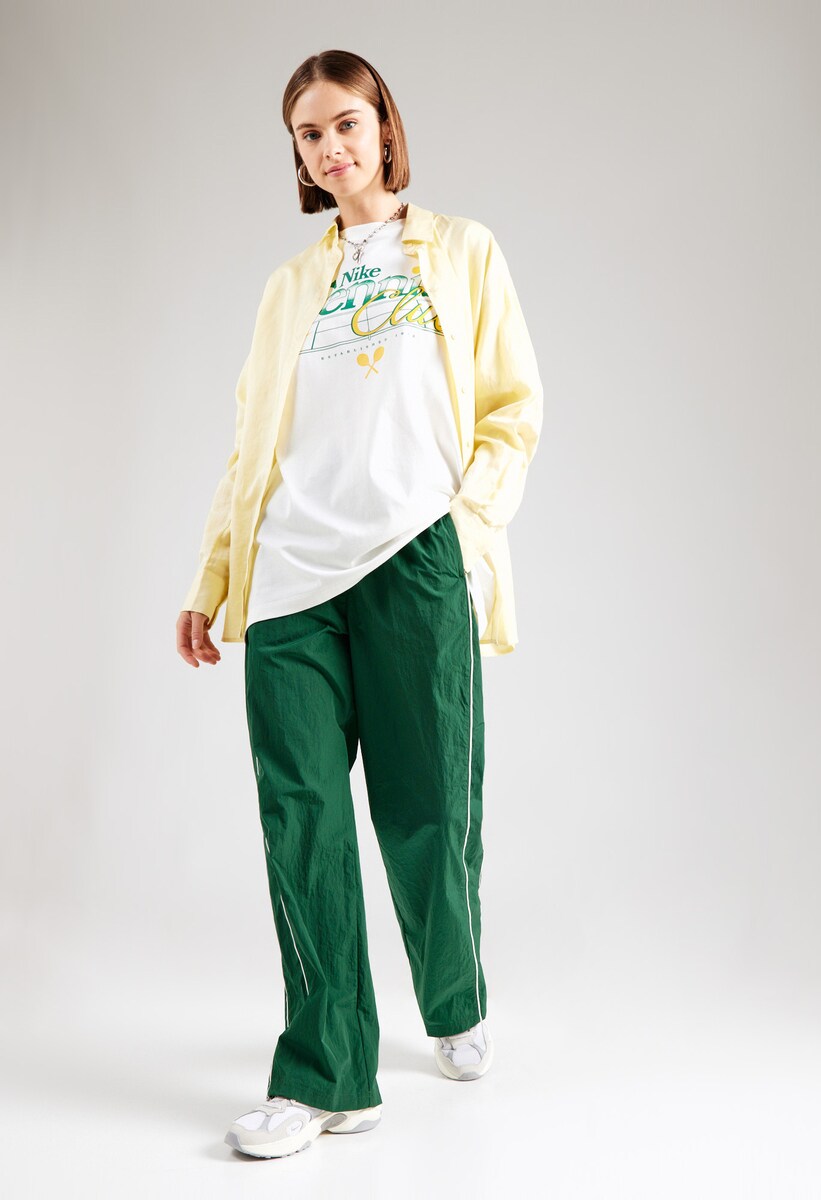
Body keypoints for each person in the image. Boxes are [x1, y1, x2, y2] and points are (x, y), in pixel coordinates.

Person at [175, 49, 542, 1160]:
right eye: (308, 134)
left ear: (384, 127)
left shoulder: (463, 251)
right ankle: (328, 1072)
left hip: (412, 558)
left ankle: (454, 994)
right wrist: (213, 580)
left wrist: (462, 531)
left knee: (429, 809)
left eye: (345, 123)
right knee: (302, 820)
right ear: (296, 155)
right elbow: (251, 446)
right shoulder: (290, 288)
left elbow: (513, 408)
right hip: (291, 577)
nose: (330, 147)